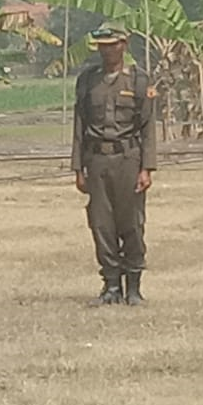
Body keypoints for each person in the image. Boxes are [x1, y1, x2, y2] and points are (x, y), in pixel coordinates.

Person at [72, 23, 157, 306]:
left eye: (113, 44)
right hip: (96, 161)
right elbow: (79, 126)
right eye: (102, 44)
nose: (107, 49)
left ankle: (133, 285)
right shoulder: (87, 81)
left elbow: (147, 129)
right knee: (101, 224)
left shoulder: (138, 81)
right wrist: (77, 169)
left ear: (124, 44)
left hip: (128, 160)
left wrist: (147, 168)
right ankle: (110, 285)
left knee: (131, 223)